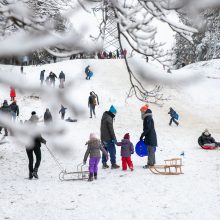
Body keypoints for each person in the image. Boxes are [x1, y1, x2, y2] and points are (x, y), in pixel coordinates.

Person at [26, 114, 46, 179]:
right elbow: (37, 136)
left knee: (31, 160)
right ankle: (35, 171)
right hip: (35, 145)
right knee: (39, 158)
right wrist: (43, 140)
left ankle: (30, 174)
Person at [100, 105, 120, 169]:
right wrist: (114, 139)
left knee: (105, 150)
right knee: (112, 151)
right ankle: (113, 164)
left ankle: (104, 163)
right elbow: (111, 130)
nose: (115, 115)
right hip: (108, 138)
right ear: (112, 112)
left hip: (103, 138)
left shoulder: (105, 116)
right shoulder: (109, 118)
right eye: (114, 113)